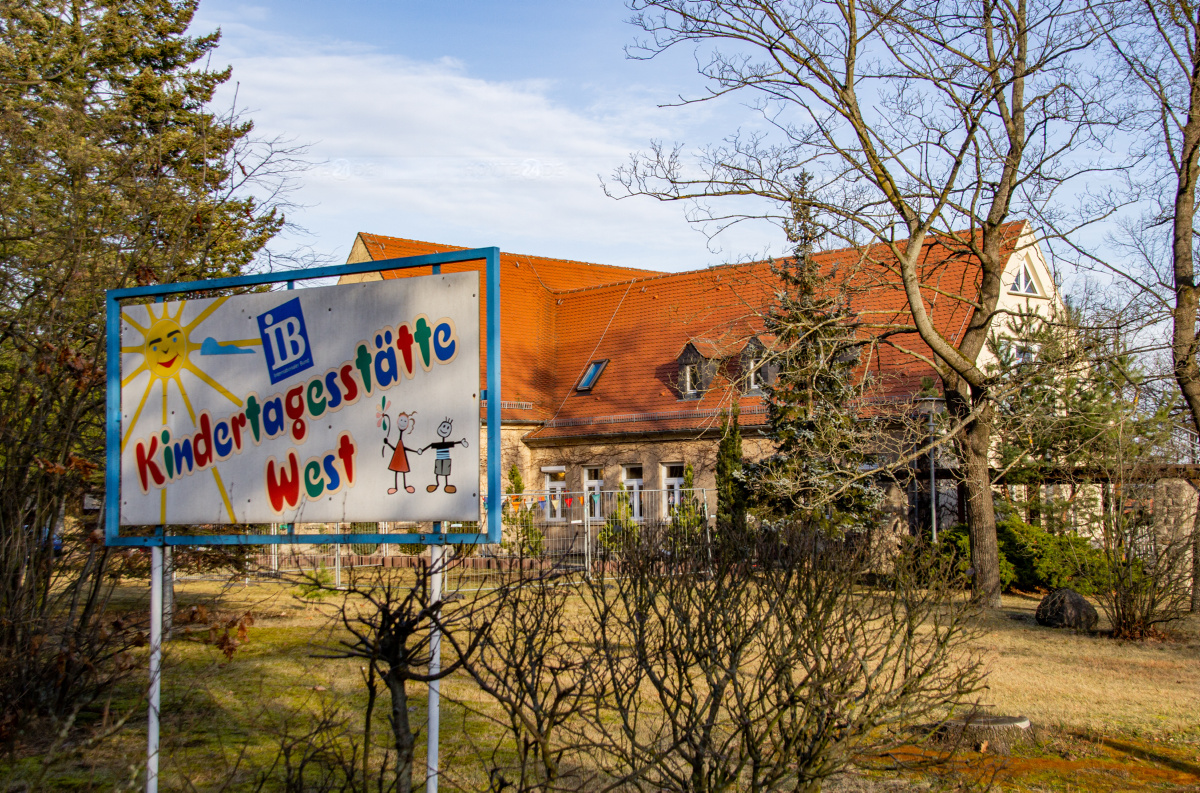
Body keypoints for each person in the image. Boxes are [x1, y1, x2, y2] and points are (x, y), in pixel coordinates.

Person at [420, 417, 469, 493]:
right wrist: (422, 450)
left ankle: (446, 485)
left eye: (447, 428)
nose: (445, 429)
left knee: (445, 473)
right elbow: (429, 445)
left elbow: (455, 443)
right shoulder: (437, 444)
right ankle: (437, 484)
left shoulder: (447, 444)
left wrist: (461, 442)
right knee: (438, 472)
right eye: (443, 426)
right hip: (439, 460)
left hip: (446, 460)